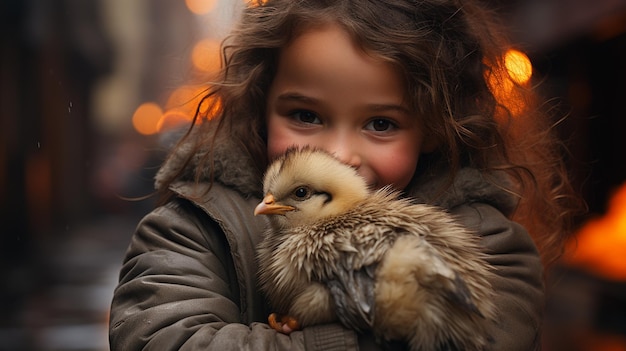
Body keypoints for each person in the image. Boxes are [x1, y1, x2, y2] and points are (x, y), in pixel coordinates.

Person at [109, 0, 581, 349]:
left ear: (434, 129)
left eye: (381, 124)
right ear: (260, 106)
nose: (337, 154)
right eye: (306, 115)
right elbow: (161, 340)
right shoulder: (196, 228)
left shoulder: (486, 244)